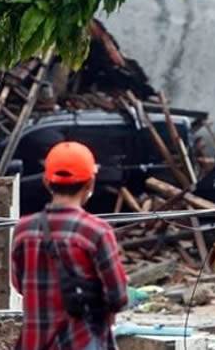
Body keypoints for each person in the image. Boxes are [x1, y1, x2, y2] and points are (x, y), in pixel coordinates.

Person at [11, 141, 128, 349]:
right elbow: (118, 297)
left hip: (34, 342)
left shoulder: (23, 229)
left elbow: (19, 285)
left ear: (47, 182)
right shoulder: (97, 231)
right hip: (81, 341)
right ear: (90, 183)